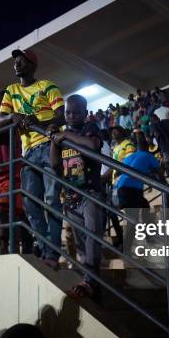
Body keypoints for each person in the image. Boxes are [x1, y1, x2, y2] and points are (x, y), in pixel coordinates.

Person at [0, 49, 65, 268]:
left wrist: (38, 121)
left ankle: (52, 255)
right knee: (30, 204)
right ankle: (47, 250)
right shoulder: (11, 90)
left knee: (52, 200)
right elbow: (0, 120)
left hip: (48, 146)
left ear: (32, 65)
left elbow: (61, 115)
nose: (17, 64)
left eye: (21, 61)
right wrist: (14, 116)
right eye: (15, 61)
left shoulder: (47, 86)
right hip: (28, 153)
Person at [50, 94, 104, 298]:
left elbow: (91, 146)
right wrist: (55, 142)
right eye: (67, 112)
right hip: (72, 197)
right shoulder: (62, 136)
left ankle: (91, 280)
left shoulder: (90, 128)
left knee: (92, 238)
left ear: (85, 113)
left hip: (90, 193)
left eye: (76, 112)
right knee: (81, 243)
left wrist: (65, 136)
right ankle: (88, 281)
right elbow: (55, 165)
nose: (71, 115)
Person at [0, 90, 30, 254]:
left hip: (17, 174)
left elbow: (1, 127)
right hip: (0, 179)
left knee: (12, 213)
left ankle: (17, 250)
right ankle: (10, 249)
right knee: (6, 212)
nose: (0, 107)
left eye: (4, 104)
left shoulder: (15, 122)